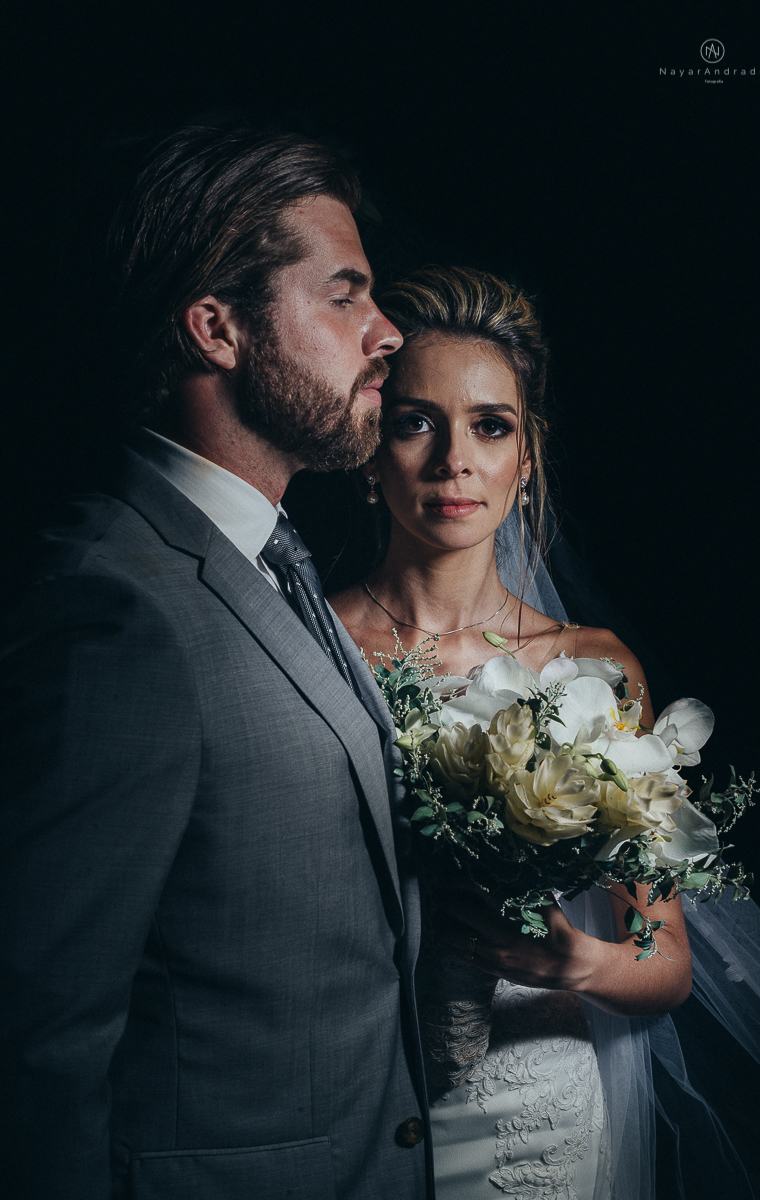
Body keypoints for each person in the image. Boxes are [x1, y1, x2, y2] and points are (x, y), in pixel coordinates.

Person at [0, 128, 432, 1200]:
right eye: (344, 297)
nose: (386, 334)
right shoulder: (116, 607)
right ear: (219, 328)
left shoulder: (272, 557)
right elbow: (39, 1044)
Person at [328, 266, 760, 1199]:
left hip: (530, 1094)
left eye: (490, 426)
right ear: (370, 448)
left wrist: (568, 958)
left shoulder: (593, 669)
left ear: (526, 456)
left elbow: (661, 959)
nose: (453, 459)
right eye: (415, 420)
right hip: (349, 1082)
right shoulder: (313, 644)